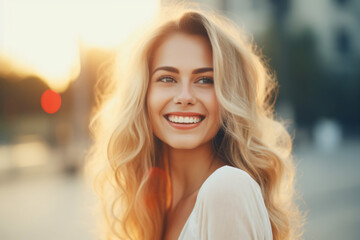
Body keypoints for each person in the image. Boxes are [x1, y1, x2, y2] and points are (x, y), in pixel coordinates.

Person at [85, 2, 305, 240]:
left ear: (229, 95)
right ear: (143, 95)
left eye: (204, 80)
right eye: (167, 78)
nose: (185, 97)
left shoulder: (226, 188)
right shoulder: (159, 207)